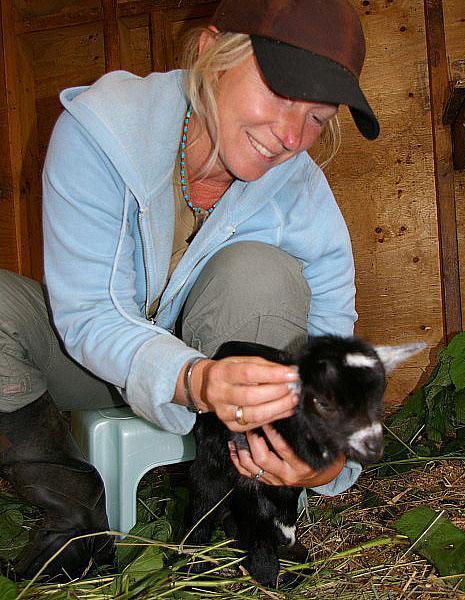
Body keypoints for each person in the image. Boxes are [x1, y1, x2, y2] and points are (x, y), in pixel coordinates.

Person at [0, 0, 379, 582]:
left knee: (261, 273)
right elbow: (88, 312)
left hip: (224, 365)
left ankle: (245, 522)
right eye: (279, 94)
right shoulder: (102, 131)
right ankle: (73, 516)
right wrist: (193, 377)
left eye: (317, 118)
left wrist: (330, 460)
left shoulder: (301, 194)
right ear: (210, 53)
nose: (288, 136)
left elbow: (336, 349)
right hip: (89, 362)